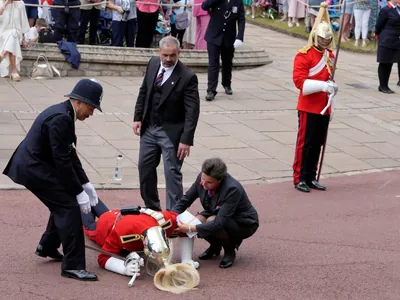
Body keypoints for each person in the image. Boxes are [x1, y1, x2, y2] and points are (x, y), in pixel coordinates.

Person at [3, 79, 104, 281]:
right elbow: (63, 162)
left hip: (36, 165)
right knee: (69, 207)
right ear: (79, 102)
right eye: (92, 107)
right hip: (33, 169)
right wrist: (78, 193)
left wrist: (85, 183)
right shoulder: (61, 119)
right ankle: (73, 266)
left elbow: (70, 153)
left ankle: (48, 246)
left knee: (62, 203)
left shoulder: (66, 114)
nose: (92, 113)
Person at [133, 36, 200, 211]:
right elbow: (144, 90)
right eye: (165, 55)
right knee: (144, 168)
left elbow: (192, 111)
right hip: (149, 128)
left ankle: (174, 215)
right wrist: (137, 117)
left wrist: (186, 139)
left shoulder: (188, 77)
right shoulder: (153, 64)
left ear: (179, 53)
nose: (168, 59)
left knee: (172, 174)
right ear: (159, 52)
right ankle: (152, 208)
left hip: (172, 133)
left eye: (172, 55)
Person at [82, 199, 200, 293]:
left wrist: (186, 259)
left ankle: (91, 196)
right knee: (87, 216)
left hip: (123, 215)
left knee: (91, 199)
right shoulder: (123, 231)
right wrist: (123, 268)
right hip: (106, 225)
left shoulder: (165, 220)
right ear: (144, 243)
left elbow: (186, 221)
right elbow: (103, 257)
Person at [173, 157, 259, 269]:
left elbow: (219, 222)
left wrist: (190, 228)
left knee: (209, 222)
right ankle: (215, 246)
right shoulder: (202, 177)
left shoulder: (232, 189)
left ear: (220, 180)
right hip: (216, 212)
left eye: (209, 182)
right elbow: (186, 200)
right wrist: (170, 216)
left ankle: (229, 251)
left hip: (243, 222)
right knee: (197, 220)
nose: (203, 184)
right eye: (203, 179)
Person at [291, 2, 338, 193]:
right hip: (308, 106)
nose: (324, 43)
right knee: (305, 144)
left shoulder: (330, 55)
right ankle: (299, 177)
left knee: (318, 143)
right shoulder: (304, 55)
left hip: (324, 106)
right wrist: (323, 85)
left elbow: (329, 78)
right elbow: (300, 83)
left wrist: (333, 88)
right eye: (322, 39)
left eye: (327, 40)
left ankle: (311, 175)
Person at [202, 0, 245, 101]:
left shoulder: (237, 1)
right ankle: (211, 90)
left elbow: (241, 19)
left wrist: (240, 37)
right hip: (214, 36)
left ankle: (226, 83)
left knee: (227, 62)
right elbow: (204, 6)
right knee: (213, 63)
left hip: (229, 37)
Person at [0, 0, 30, 81]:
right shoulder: (1, 2)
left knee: (13, 34)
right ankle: (13, 71)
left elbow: (23, 21)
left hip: (17, 34)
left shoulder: (21, 4)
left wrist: (24, 38)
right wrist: (5, 4)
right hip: (3, 33)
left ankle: (2, 55)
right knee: (13, 37)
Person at [375, 0, 400, 94]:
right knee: (384, 62)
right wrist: (378, 34)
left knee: (389, 63)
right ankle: (382, 85)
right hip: (387, 39)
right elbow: (379, 25)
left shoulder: (397, 9)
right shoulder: (386, 10)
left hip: (396, 40)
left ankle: (385, 85)